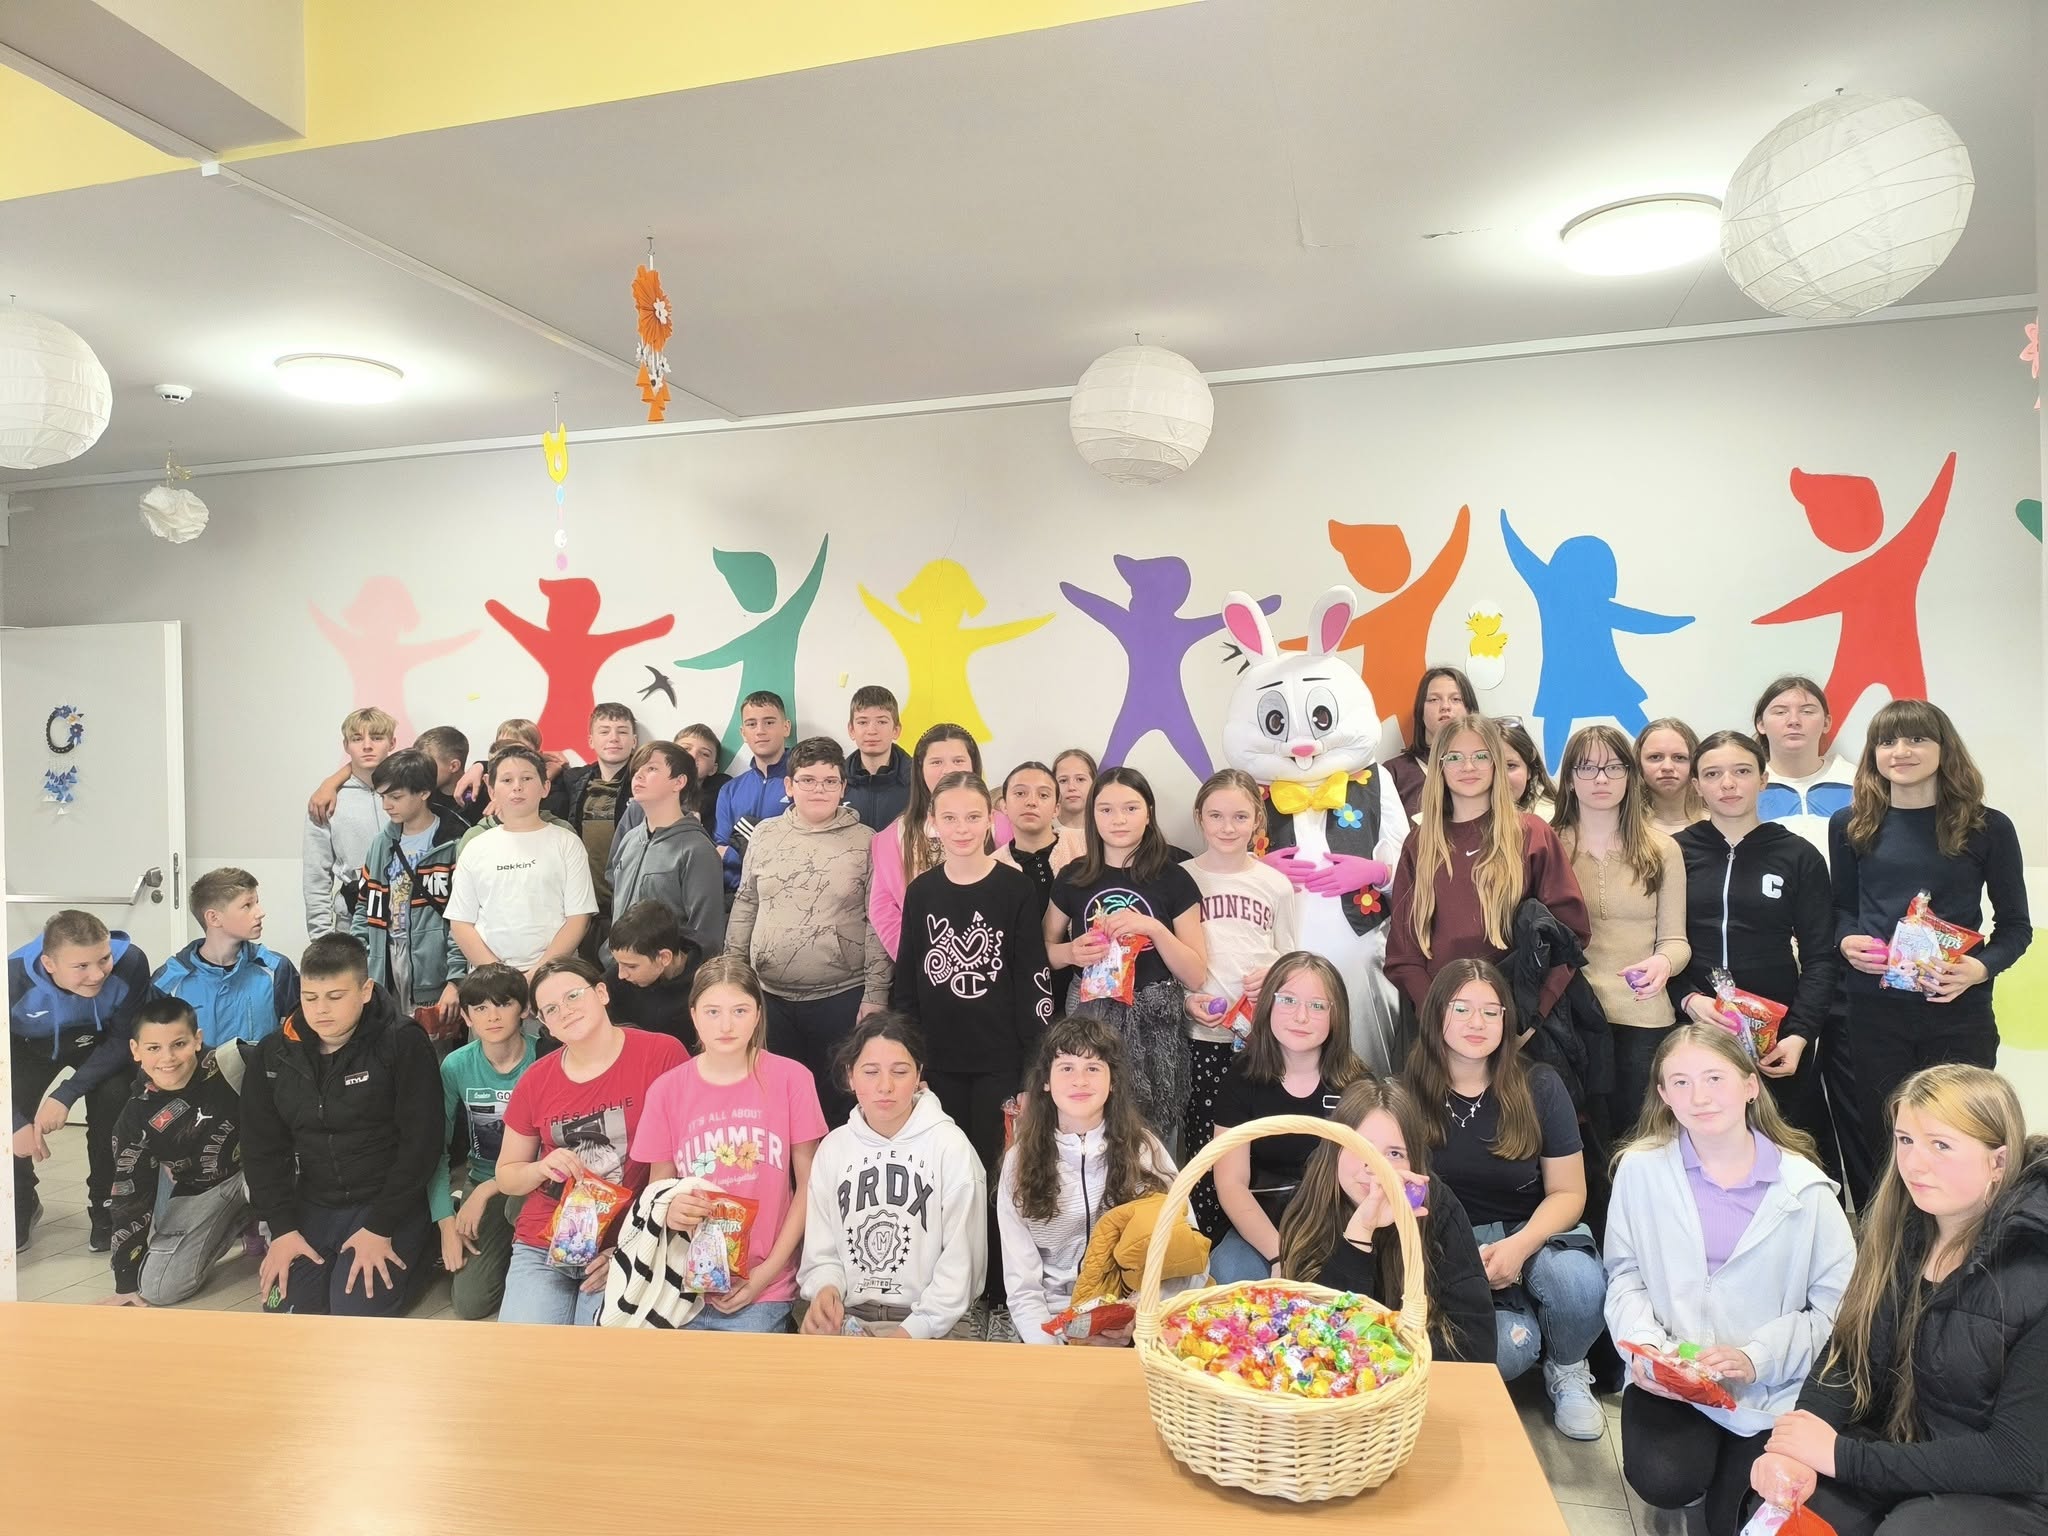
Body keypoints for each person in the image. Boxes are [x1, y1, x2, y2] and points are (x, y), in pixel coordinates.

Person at [1752, 1064, 2048, 1536]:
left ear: (1998, 1161)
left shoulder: (2036, 1267)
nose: (1914, 1163)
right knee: (1779, 1512)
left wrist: (1844, 1457)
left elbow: (2015, 1457)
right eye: (1905, 1140)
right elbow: (1847, 1356)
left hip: (2007, 1491)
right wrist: (1796, 1450)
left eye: (1941, 1145)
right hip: (1898, 1447)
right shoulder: (1901, 1228)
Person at [1605, 1026, 1855, 1536]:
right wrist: (1646, 1349)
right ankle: (1693, 1477)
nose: (1699, 1097)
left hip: (1770, 1390)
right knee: (1666, 1477)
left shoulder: (1806, 1190)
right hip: (1672, 1382)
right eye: (1680, 1082)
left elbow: (1837, 1311)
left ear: (1750, 1085)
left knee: (1737, 1521)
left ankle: (1723, 1488)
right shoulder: (1639, 1170)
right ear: (1663, 1095)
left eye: (1715, 1078)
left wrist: (1756, 1357)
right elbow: (1624, 1273)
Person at [1405, 958, 1607, 1440]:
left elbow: (1569, 1192)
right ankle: (1524, 1329)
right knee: (1506, 1352)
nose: (1476, 1023)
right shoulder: (1404, 1092)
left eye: (1490, 1012)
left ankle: (1568, 1367)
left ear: (1506, 1020)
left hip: (1530, 1232)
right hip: (1446, 1241)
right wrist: (1456, 1260)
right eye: (1461, 1008)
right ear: (1436, 1015)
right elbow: (1399, 1192)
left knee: (1579, 1282)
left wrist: (1519, 1247)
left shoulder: (1540, 1085)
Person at [1832, 700, 2031, 1167]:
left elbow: (2015, 927)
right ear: (1873, 753)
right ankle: (1891, 1219)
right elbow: (1842, 910)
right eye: (1887, 741)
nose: (1901, 751)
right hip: (1874, 1013)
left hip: (1956, 1011)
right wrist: (1846, 941)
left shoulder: (1987, 827)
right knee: (1886, 1144)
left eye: (1917, 739)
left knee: (1962, 1137)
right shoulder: (1850, 823)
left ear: (1945, 749)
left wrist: (1978, 969)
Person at [894, 770, 1052, 1296]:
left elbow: (1033, 983)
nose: (961, 828)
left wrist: (1032, 1074)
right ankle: (948, 1288)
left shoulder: (1015, 888)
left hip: (1000, 1065)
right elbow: (907, 986)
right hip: (937, 1066)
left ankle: (1000, 1294)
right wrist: (909, 1064)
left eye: (972, 817)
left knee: (997, 1178)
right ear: (932, 824)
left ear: (991, 820)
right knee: (942, 1180)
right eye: (950, 818)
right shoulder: (921, 892)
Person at [243, 934, 440, 1316]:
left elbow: (422, 1143)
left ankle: (422, 1251)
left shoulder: (402, 1042)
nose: (321, 1010)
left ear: (365, 991)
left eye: (335, 996)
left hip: (388, 1202)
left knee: (353, 1314)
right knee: (286, 1312)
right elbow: (261, 1148)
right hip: (316, 1202)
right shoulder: (274, 1053)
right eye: (310, 997)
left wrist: (381, 1226)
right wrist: (282, 1230)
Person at [1672, 731, 1839, 1168]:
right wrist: (1687, 999)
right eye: (1713, 774)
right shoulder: (1674, 853)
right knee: (1701, 1156)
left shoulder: (1798, 855)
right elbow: (1659, 944)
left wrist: (1799, 1034)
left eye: (1742, 771)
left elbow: (1821, 957)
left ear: (1763, 780)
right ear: (1697, 785)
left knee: (1790, 1156)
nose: (1728, 783)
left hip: (1776, 1037)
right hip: (1695, 1028)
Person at [633, 957, 827, 1333]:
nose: (726, 1025)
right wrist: (671, 1211)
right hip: (682, 1283)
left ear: (758, 1015)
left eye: (740, 1010)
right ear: (693, 1015)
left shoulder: (792, 1079)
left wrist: (765, 1275)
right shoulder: (666, 1090)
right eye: (713, 1012)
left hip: (764, 1284)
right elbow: (659, 1190)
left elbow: (810, 1186)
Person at [492, 958, 688, 1325]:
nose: (565, 1011)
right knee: (524, 1352)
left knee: (597, 1350)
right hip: (545, 1240)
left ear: (601, 992)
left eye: (573, 996)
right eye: (551, 1009)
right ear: (544, 1023)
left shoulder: (661, 1054)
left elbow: (684, 1159)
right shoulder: (536, 1080)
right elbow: (507, 1175)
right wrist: (540, 1168)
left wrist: (634, 1250)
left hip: (629, 1239)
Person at [726, 736, 890, 1128]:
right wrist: (731, 978)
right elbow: (746, 902)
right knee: (779, 1104)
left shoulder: (867, 841)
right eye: (808, 780)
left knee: (838, 1105)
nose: (819, 789)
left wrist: (876, 995)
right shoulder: (764, 835)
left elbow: (877, 921)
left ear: (843, 787)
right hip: (769, 997)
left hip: (841, 998)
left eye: (830, 781)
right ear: (789, 785)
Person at [1276, 1075, 1494, 1362]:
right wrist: (1360, 1231)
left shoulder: (1438, 1207)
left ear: (1414, 1162)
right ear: (1334, 1149)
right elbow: (1315, 1346)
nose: (1374, 1166)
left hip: (1420, 1378)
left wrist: (1381, 1358)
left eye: (1394, 1153)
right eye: (1359, 1147)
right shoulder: (1311, 1205)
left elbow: (1478, 1346)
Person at [1383, 713, 1588, 1016]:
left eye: (1481, 756)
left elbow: (1569, 936)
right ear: (1439, 766)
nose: (1468, 767)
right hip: (1441, 1019)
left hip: (1519, 1018)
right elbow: (1404, 956)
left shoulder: (1531, 834)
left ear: (1496, 764)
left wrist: (1531, 1016)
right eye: (1455, 757)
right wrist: (1439, 1017)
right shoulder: (1419, 844)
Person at [798, 1013, 986, 1339]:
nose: (885, 1086)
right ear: (850, 1076)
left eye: (900, 1072)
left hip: (933, 1324)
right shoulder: (833, 1148)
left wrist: (911, 1332)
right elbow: (821, 1253)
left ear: (918, 1075)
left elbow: (961, 1267)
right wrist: (826, 1290)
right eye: (870, 1072)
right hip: (849, 1316)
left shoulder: (951, 1148)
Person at [1045, 767, 1208, 1138]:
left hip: (1155, 1019)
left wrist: (1153, 928)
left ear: (1148, 813)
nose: (1118, 819)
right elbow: (1044, 953)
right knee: (1088, 1123)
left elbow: (1196, 974)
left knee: (1154, 1134)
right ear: (1092, 815)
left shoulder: (1174, 878)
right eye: (1106, 809)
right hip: (1089, 1013)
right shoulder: (1073, 876)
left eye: (1130, 808)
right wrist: (1071, 952)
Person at [998, 1014, 1176, 1346]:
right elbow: (1022, 1286)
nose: (1080, 1080)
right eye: (1066, 1068)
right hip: (1052, 1325)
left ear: (1113, 1081)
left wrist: (1135, 1321)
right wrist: (1051, 1349)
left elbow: (1181, 1248)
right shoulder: (1019, 1161)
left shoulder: (1145, 1150)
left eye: (1093, 1068)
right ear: (1046, 1081)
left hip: (1135, 1321)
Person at [1552, 723, 1690, 1130]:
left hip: (1643, 1015)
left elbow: (1676, 941)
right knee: (1577, 1141)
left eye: (1614, 767)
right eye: (1587, 767)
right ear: (1569, 779)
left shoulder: (1662, 849)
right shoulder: (1547, 846)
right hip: (1570, 1016)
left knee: (1642, 1139)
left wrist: (1663, 963)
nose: (1601, 779)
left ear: (1631, 777)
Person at [1181, 767, 1298, 1237]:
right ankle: (1208, 1247)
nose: (1227, 827)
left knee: (1260, 1143)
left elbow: (1292, 958)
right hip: (1202, 1038)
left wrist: (1276, 977)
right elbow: (1165, 959)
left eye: (1240, 816)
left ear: (1257, 821)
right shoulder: (1181, 879)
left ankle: (1264, 1240)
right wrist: (1186, 1001)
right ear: (1198, 818)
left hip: (1261, 1041)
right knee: (1205, 1148)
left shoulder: (1275, 884)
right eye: (1216, 815)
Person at [1208, 951, 1370, 1282]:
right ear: (1268, 1004)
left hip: (1334, 1226)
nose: (1301, 1016)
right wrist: (1279, 1254)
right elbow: (1230, 1182)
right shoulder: (1241, 1077)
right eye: (1288, 1000)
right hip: (1259, 1226)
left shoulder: (1358, 1084)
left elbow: (1366, 1179)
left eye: (1317, 1006)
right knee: (1232, 1272)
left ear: (1336, 1015)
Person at [10, 910, 160, 1251]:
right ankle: (20, 1201)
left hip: (102, 1042)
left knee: (115, 1097)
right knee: (10, 1116)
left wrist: (66, 1094)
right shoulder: (11, 977)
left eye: (103, 959)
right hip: (30, 1046)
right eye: (81, 966)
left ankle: (105, 1207)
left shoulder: (131, 962)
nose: (97, 974)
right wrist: (16, 1121)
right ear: (49, 964)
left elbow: (123, 1039)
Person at [102, 997, 249, 1307]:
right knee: (157, 1289)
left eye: (179, 1044)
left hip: (264, 1171)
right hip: (203, 1190)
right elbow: (130, 1197)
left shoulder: (236, 1062)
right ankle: (239, 1224)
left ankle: (281, 1240)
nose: (167, 1058)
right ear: (135, 1050)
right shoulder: (134, 1118)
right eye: (154, 1048)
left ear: (197, 1040)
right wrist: (125, 1281)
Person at [432, 965, 538, 1320]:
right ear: (465, 1017)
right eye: (480, 1008)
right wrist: (445, 1222)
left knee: (517, 1210)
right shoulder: (455, 1066)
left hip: (536, 1181)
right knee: (470, 1303)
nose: (492, 1016)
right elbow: (437, 1149)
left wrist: (486, 1191)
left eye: (503, 1004)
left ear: (524, 1009)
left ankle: (526, 1257)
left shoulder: (545, 1057)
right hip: (481, 1177)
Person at [446, 746, 599, 979]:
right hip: (492, 981)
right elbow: (460, 922)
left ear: (545, 787)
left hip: (556, 975)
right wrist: (502, 978)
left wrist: (537, 974)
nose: (517, 787)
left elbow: (579, 918)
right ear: (491, 789)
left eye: (527, 778)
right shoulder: (475, 847)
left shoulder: (567, 842)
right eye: (507, 780)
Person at [868, 723, 1013, 959]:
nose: (948, 770)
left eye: (958, 760)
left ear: (973, 765)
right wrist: (915, 959)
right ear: (920, 769)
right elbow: (882, 909)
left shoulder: (1002, 825)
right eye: (936, 762)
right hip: (924, 960)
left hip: (992, 955)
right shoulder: (894, 836)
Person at [351, 749, 467, 1030]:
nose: (387, 805)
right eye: (382, 797)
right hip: (384, 973)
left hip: (434, 976)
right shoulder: (382, 843)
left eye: (395, 796)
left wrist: (455, 979)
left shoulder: (454, 844)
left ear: (424, 792)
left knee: (432, 1049)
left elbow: (463, 919)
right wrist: (358, 965)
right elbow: (365, 906)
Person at [152, 866, 299, 1049]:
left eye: (257, 903)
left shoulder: (277, 969)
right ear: (214, 918)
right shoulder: (168, 981)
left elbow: (296, 1038)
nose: (260, 912)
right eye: (247, 905)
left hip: (262, 1068)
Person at [605, 740, 724, 956]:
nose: (639, 775)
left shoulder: (697, 850)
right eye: (637, 769)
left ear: (679, 782)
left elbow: (706, 936)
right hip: (619, 965)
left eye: (651, 769)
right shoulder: (629, 839)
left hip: (666, 971)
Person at [302, 706, 397, 936]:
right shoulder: (326, 801)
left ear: (392, 743)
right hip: (353, 920)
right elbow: (317, 875)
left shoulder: (410, 792)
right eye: (357, 739)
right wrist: (321, 936)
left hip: (407, 919)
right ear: (346, 745)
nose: (367, 746)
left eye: (377, 738)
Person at [555, 702, 641, 940]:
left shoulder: (645, 781)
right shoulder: (574, 780)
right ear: (591, 740)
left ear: (634, 741)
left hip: (629, 903)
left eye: (622, 731)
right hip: (582, 906)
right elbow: (525, 763)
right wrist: (480, 766)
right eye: (604, 731)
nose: (614, 738)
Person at [1755, 675, 1856, 861]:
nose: (1794, 720)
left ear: (1826, 723)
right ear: (1761, 724)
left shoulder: (1858, 781)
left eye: (1807, 711)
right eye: (1780, 712)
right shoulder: (1748, 787)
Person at [713, 690, 794, 893]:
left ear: (786, 727)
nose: (760, 731)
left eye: (769, 722)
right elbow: (719, 849)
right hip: (736, 895)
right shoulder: (730, 790)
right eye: (751, 724)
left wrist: (735, 853)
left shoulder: (803, 783)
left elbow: (796, 852)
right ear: (743, 733)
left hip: (786, 895)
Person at [602, 901, 701, 1049]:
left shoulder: (707, 983)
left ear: (664, 958)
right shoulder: (614, 982)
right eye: (618, 963)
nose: (621, 975)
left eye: (631, 966)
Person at [1386, 667, 1479, 818]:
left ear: (1470, 710)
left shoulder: (1485, 766)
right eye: (1434, 699)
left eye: (1456, 699)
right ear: (1420, 711)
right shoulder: (1393, 773)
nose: (1445, 707)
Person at [994, 760, 1084, 906]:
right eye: (1020, 793)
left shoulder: (1085, 846)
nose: (1031, 802)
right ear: (1004, 805)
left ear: (1056, 809)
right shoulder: (992, 866)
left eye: (1043, 795)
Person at [844, 684, 914, 831]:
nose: (872, 731)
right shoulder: (836, 780)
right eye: (863, 722)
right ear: (851, 730)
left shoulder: (918, 780)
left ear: (896, 730)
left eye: (882, 722)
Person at [1637, 717, 1706, 836]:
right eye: (1655, 757)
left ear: (1696, 763)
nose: (1667, 767)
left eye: (1679, 757)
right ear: (1638, 763)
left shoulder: (1719, 826)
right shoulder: (1622, 829)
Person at [1498, 717, 1558, 821]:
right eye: (1492, 766)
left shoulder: (1548, 820)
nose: (1500, 777)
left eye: (1510, 766)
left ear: (1529, 769)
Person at [676, 723, 730, 835]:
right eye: (686, 749)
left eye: (705, 754)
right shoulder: (649, 792)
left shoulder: (721, 796)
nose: (693, 756)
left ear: (713, 769)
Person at [1052, 748, 1099, 840]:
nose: (1071, 787)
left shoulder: (1106, 829)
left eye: (1080, 779)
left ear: (1094, 783)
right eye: (1063, 780)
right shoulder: (1042, 829)